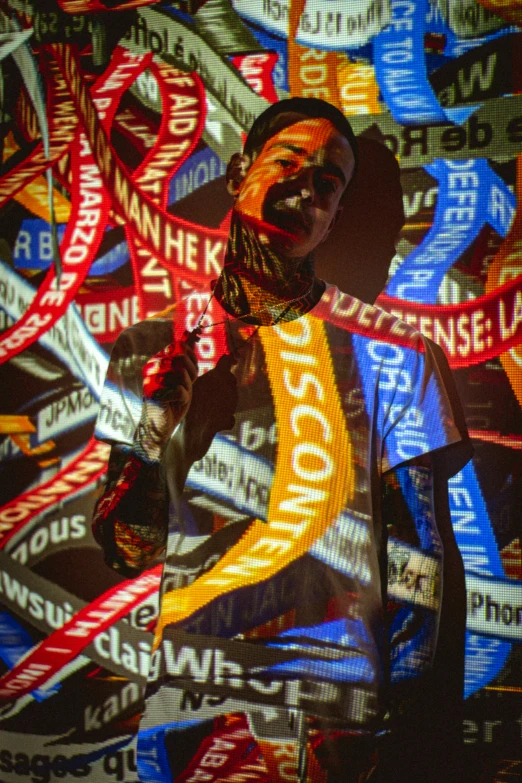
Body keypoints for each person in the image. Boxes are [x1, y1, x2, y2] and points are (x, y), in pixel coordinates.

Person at [93, 98, 471, 782]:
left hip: (336, 728)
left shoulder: (395, 351)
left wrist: (413, 742)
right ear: (240, 172)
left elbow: (425, 565)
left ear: (335, 217)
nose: (305, 186)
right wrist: (157, 433)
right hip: (189, 718)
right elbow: (129, 552)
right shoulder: (150, 345)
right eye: (288, 161)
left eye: (327, 182)